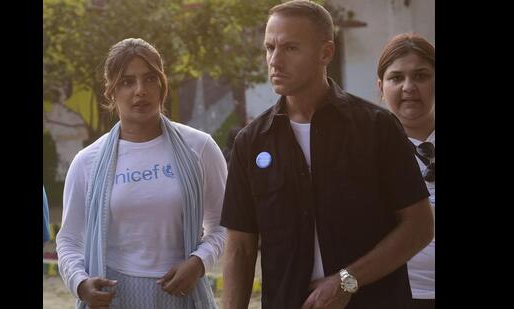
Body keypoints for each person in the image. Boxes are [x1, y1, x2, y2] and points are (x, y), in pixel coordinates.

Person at [220, 1, 434, 309]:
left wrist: (348, 280)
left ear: (326, 52)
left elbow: (419, 227)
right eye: (269, 47)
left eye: (290, 48)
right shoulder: (250, 142)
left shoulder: (377, 128)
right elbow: (239, 248)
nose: (275, 61)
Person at [56, 38, 227, 309]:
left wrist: (199, 263)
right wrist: (80, 283)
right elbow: (69, 239)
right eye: (127, 81)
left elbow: (223, 225)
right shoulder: (88, 161)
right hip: (116, 297)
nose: (140, 91)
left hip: (183, 295)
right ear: (110, 92)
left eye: (150, 79)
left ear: (162, 84)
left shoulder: (200, 148)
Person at [378, 32, 435, 309]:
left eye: (421, 76)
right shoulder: (365, 154)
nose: (409, 87)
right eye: (396, 78)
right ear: (381, 86)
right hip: (396, 296)